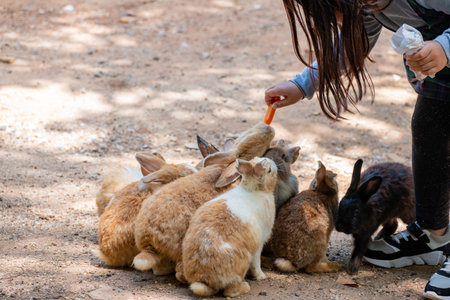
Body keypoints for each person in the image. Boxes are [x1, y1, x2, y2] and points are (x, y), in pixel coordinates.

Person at [265, 0, 450, 299]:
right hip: (444, 68)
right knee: (430, 126)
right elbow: (350, 47)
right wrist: (301, 85)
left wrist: (444, 47)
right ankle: (435, 234)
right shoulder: (364, 5)